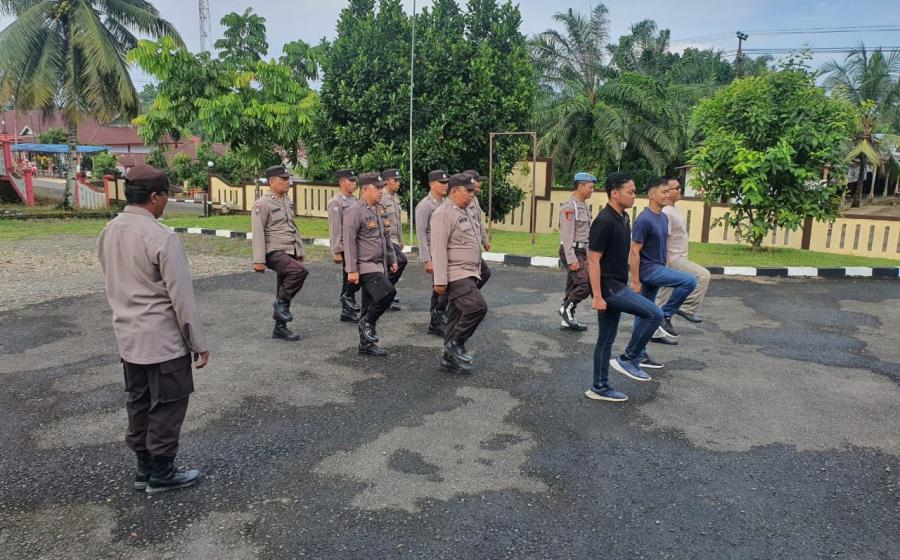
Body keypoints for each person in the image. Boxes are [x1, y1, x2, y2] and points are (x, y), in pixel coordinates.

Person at [97, 164, 208, 494]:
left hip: (128, 336)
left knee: (140, 400)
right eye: (166, 197)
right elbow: (182, 298)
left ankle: (143, 469)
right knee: (169, 402)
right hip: (162, 340)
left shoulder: (109, 231)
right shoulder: (161, 237)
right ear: (155, 196)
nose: (166, 203)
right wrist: (197, 342)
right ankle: (162, 472)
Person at [585, 172, 664, 403]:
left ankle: (599, 387)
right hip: (609, 289)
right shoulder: (604, 221)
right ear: (615, 193)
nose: (634, 196)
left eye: (634, 191)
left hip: (617, 283)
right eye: (630, 192)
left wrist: (634, 279)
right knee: (654, 313)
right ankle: (629, 358)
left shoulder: (624, 218)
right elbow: (593, 259)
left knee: (606, 339)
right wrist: (597, 296)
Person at [630, 177, 697, 363]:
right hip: (649, 271)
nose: (668, 195)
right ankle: (665, 316)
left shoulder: (662, 218)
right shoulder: (644, 219)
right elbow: (634, 251)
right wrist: (635, 280)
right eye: (664, 191)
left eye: (669, 191)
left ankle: (638, 354)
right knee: (689, 281)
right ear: (652, 195)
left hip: (658, 267)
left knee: (643, 313)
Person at [431, 173, 488, 374]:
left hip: (470, 271)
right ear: (454, 192)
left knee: (455, 317)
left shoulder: (463, 211)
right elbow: (438, 248)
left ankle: (448, 360)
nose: (472, 195)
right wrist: (439, 281)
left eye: (473, 191)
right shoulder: (443, 214)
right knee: (477, 307)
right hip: (456, 273)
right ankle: (456, 343)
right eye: (468, 191)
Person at [344, 172, 399, 356]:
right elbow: (349, 242)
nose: (381, 191)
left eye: (382, 188)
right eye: (377, 188)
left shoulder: (379, 209)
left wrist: (392, 259)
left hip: (380, 264)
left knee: (368, 304)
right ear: (365, 189)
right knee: (388, 292)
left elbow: (386, 237)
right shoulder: (354, 211)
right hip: (365, 265)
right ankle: (367, 322)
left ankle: (366, 345)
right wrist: (351, 270)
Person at [251, 165, 309, 341]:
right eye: (283, 179)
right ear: (271, 182)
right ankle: (281, 303)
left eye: (287, 179)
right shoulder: (262, 204)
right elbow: (258, 231)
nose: (287, 182)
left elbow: (292, 226)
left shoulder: (286, 201)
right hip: (273, 251)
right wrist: (258, 260)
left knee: (284, 286)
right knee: (299, 271)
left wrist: (299, 249)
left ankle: (280, 328)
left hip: (288, 249)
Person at [655, 177, 710, 324]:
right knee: (703, 275)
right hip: (672, 259)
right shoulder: (666, 212)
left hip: (679, 258)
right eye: (677, 188)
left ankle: (660, 323)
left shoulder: (675, 210)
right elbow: (663, 238)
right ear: (667, 192)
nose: (680, 190)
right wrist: (663, 262)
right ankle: (686, 308)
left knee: (664, 295)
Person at [558, 172, 596, 332]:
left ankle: (567, 319)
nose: (592, 190)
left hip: (582, 250)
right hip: (572, 251)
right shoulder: (569, 207)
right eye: (590, 187)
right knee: (585, 284)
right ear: (580, 186)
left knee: (573, 284)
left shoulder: (583, 206)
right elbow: (566, 235)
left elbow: (585, 234)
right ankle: (565, 308)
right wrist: (571, 258)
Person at [415, 169, 450, 335]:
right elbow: (421, 234)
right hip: (434, 253)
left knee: (444, 287)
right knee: (439, 287)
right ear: (431, 184)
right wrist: (426, 259)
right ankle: (436, 321)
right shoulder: (424, 206)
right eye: (442, 182)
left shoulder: (446, 203)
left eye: (446, 182)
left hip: (446, 252)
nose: (446, 185)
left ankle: (438, 318)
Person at [328, 169, 361, 322]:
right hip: (345, 246)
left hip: (356, 245)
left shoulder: (355, 200)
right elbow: (335, 228)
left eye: (355, 181)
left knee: (351, 277)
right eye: (351, 181)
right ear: (342, 182)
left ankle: (347, 307)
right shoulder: (336, 202)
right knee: (351, 276)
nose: (354, 183)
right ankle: (347, 303)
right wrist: (336, 250)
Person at [379, 168, 407, 310]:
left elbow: (397, 220)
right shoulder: (382, 197)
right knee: (401, 261)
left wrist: (401, 239)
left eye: (398, 180)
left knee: (394, 265)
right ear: (386, 182)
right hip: (387, 239)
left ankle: (386, 292)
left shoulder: (395, 197)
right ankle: (385, 292)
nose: (398, 183)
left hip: (396, 239)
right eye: (395, 180)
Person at [462, 169, 492, 289]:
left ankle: (469, 296)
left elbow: (478, 222)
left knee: (484, 273)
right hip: (464, 246)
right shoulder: (462, 200)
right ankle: (439, 307)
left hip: (474, 246)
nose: (480, 184)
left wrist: (484, 240)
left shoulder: (474, 199)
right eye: (478, 181)